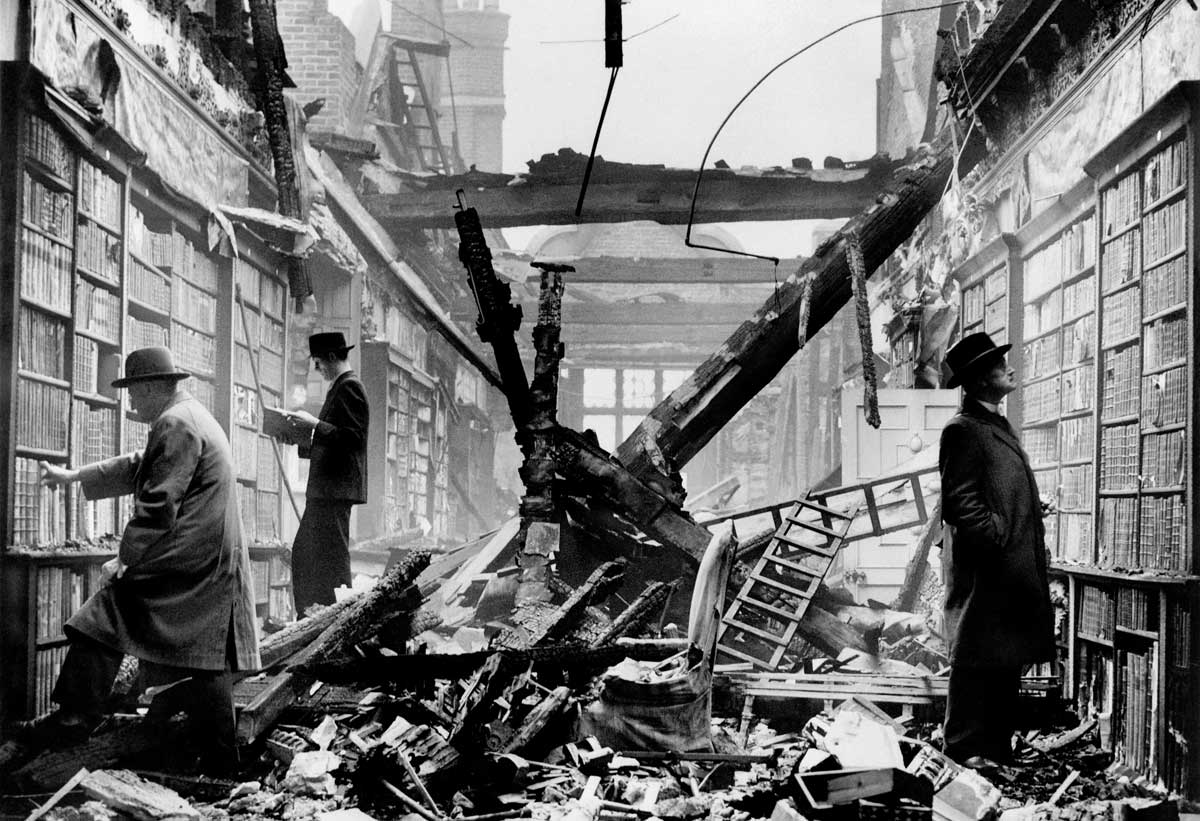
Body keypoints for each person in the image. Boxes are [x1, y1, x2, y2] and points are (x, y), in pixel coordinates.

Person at [23, 347, 261, 766]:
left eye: (134, 392)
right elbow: (142, 464)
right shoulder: (188, 415)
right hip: (211, 557)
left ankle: (75, 717)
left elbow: (156, 504)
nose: (131, 401)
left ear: (153, 387)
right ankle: (224, 759)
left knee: (105, 611)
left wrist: (126, 560)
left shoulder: (174, 422)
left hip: (192, 557)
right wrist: (75, 475)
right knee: (207, 657)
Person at [938, 332, 1055, 770]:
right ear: (978, 380)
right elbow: (960, 502)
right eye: (996, 364)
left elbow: (993, 489)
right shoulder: (962, 430)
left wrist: (1021, 508)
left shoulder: (994, 425)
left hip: (1007, 567)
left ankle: (995, 751)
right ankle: (964, 751)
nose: (1008, 368)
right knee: (973, 660)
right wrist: (998, 534)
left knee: (1003, 658)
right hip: (986, 569)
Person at [286, 332, 369, 615]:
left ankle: (337, 616)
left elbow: (354, 438)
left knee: (329, 558)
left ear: (332, 357)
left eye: (319, 363)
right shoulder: (341, 387)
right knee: (310, 555)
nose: (317, 369)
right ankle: (314, 614)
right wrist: (300, 438)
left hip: (334, 491)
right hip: (328, 491)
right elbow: (336, 441)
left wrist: (315, 424)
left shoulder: (350, 387)